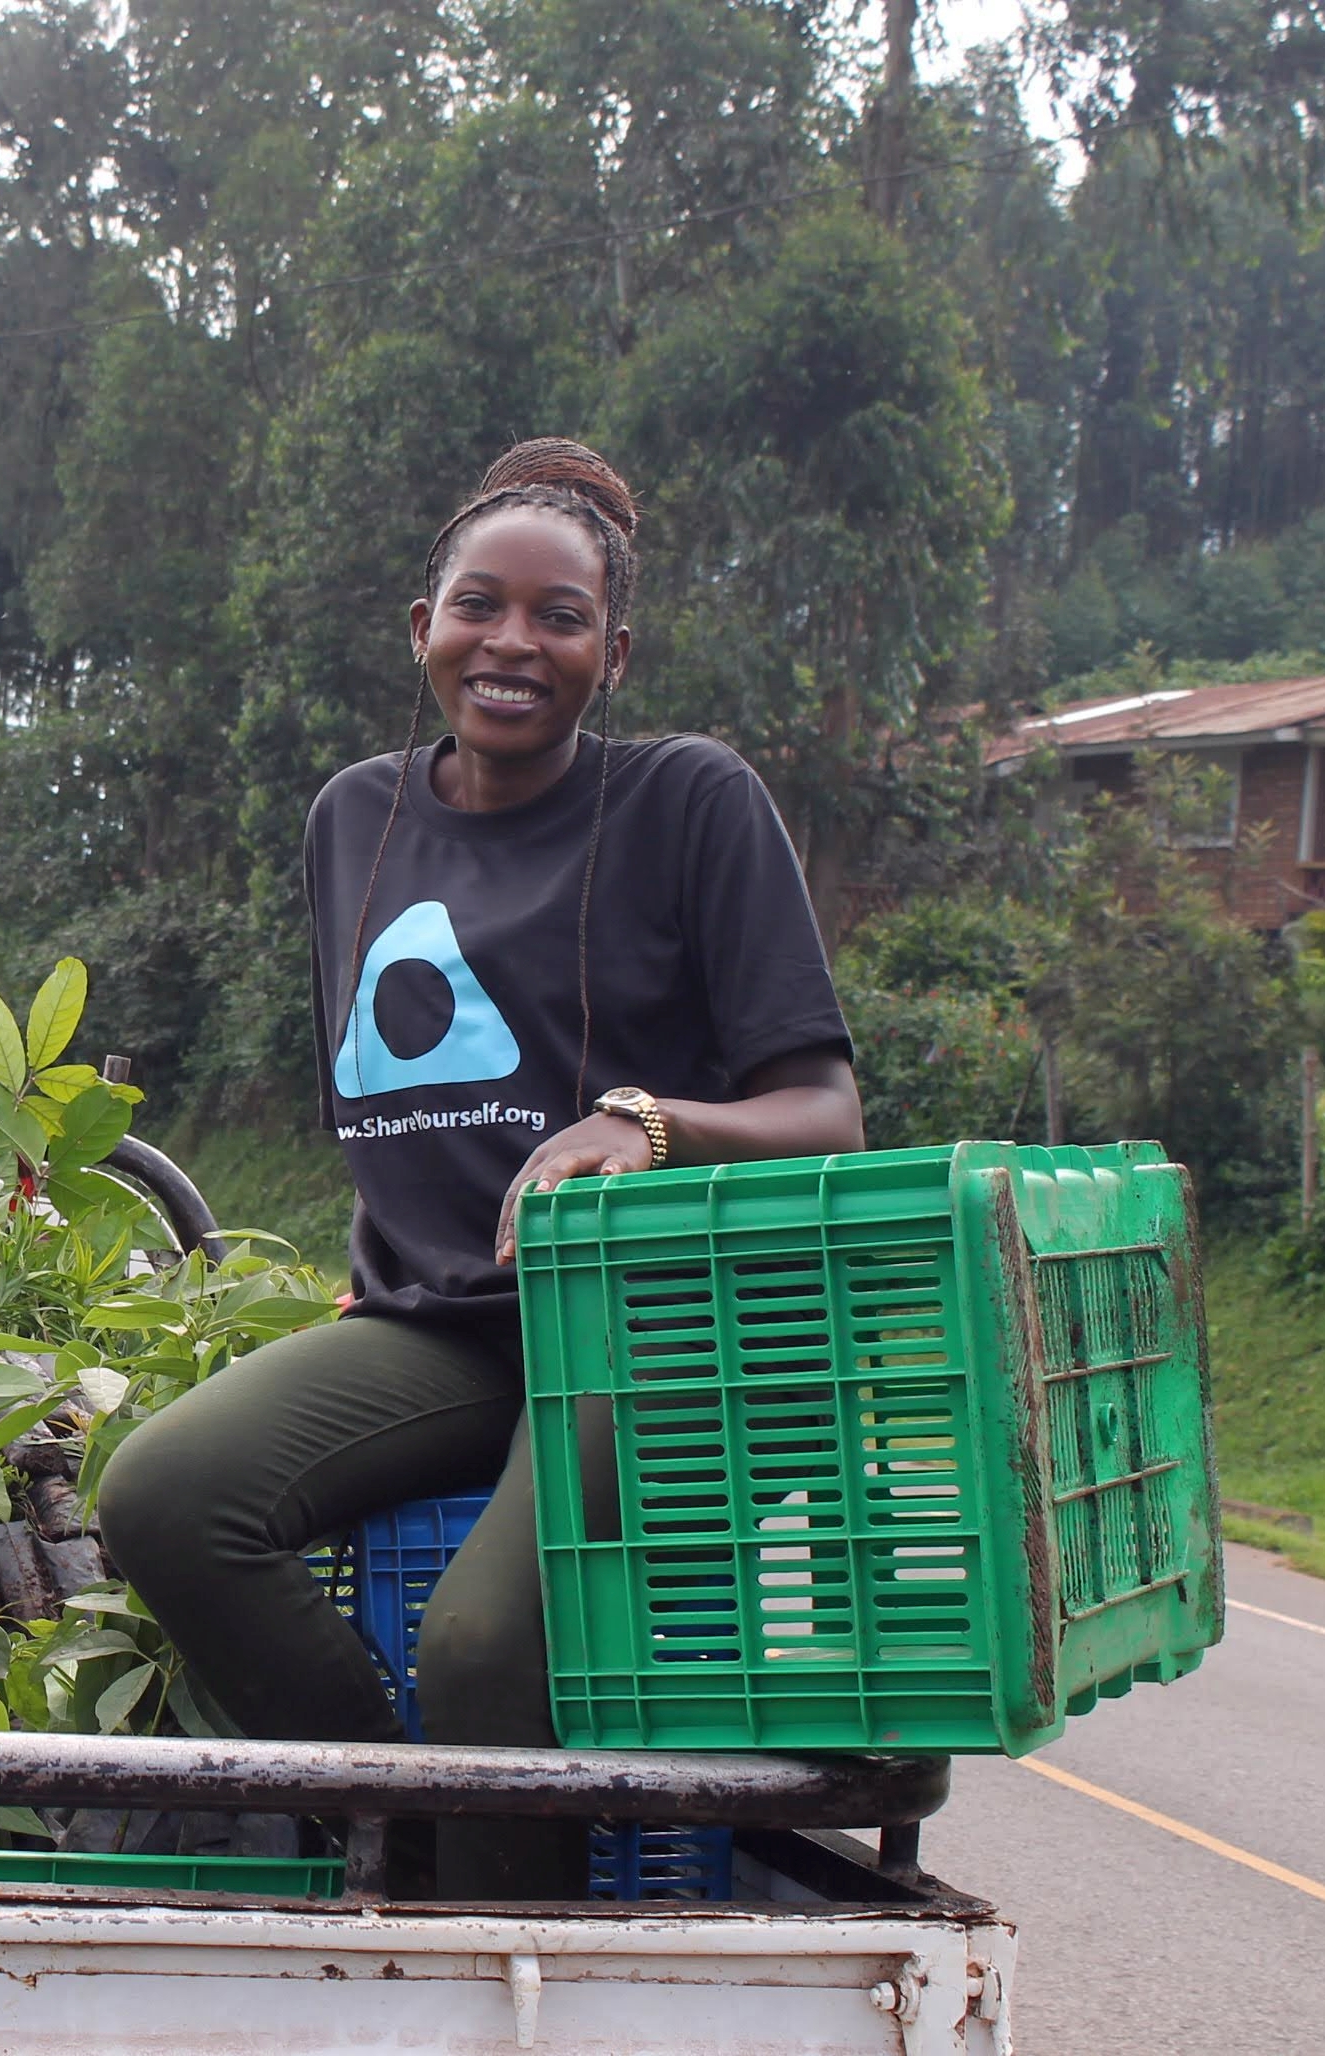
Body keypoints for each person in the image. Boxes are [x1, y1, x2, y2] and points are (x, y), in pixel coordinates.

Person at [97, 437, 863, 1898]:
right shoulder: (353, 819)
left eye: (560, 617)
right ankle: (418, 1857)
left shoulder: (689, 802)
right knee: (165, 1499)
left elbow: (827, 1112)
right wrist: (368, 1271)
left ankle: (513, 1959)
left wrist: (647, 1123)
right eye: (478, 605)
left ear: (612, 652)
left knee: (484, 1641)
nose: (513, 643)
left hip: (656, 1326)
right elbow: (404, 1105)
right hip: (440, 1326)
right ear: (423, 628)